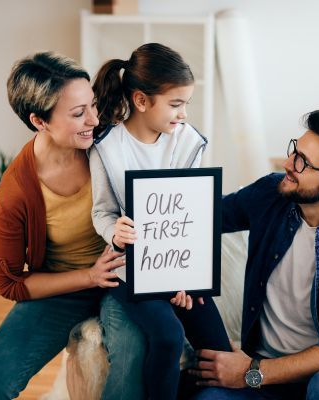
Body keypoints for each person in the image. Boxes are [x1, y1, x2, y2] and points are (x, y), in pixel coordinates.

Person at [0, 51, 145, 400]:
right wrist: (88, 277)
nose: (94, 119)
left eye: (92, 105)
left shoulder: (110, 142)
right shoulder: (17, 191)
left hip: (126, 278)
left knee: (131, 362)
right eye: (78, 113)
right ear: (39, 121)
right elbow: (8, 282)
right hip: (67, 287)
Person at [190, 110, 319, 400]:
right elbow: (204, 216)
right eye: (295, 150)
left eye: (303, 162)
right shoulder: (273, 192)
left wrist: (252, 371)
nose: (288, 163)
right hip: (266, 371)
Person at [89, 43, 232, 400]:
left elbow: (192, 216)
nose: (183, 114)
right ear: (141, 101)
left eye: (186, 104)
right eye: (175, 104)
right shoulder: (107, 146)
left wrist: (184, 277)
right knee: (167, 336)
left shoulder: (188, 142)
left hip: (180, 265)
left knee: (219, 350)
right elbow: (101, 212)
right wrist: (114, 231)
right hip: (130, 268)